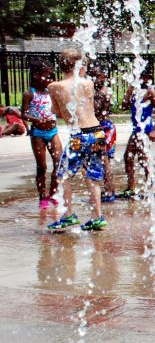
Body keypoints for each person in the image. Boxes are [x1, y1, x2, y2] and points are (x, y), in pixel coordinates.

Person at [47, 49, 106, 231]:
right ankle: (97, 216)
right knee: (92, 175)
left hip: (79, 135)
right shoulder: (88, 83)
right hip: (97, 133)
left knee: (63, 174)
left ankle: (69, 214)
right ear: (80, 65)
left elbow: (56, 112)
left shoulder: (55, 86)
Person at [20, 59, 62, 209]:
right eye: (47, 76)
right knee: (42, 167)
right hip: (38, 134)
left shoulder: (51, 92)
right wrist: (37, 119)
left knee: (60, 163)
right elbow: (23, 115)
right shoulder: (29, 94)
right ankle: (42, 197)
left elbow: (57, 110)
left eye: (52, 76)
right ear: (36, 75)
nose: (50, 80)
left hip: (53, 131)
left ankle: (53, 194)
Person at [119, 62, 155, 199]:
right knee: (129, 157)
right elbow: (123, 106)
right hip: (136, 130)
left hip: (145, 130)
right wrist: (128, 92)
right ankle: (131, 187)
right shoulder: (134, 90)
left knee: (144, 159)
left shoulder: (151, 92)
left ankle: (154, 186)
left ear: (146, 77)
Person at [90, 63, 117, 202]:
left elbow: (97, 110)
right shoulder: (101, 91)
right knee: (103, 160)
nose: (93, 78)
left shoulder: (102, 92)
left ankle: (108, 192)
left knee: (104, 159)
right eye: (91, 75)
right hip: (102, 127)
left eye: (96, 75)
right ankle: (108, 190)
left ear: (103, 76)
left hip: (104, 128)